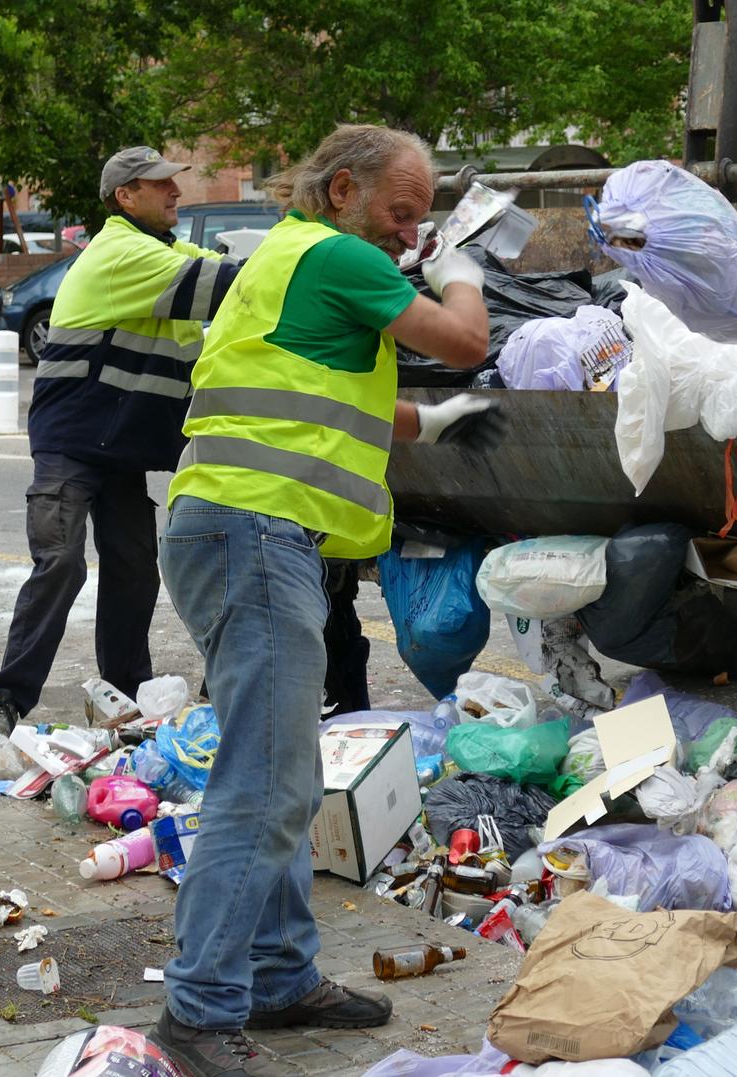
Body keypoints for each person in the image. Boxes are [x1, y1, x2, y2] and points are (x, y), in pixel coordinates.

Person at [147, 125, 504, 1076]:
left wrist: (432, 422)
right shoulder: (341, 256)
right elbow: (466, 339)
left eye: (423, 224)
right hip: (257, 533)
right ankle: (198, 1009)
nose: (409, 236)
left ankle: (277, 974)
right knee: (266, 784)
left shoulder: (287, 258)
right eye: (402, 212)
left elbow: (323, 400)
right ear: (343, 189)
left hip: (236, 530)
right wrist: (462, 270)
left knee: (283, 770)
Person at [0, 147, 242, 739]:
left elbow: (230, 270)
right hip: (72, 440)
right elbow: (231, 284)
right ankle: (4, 700)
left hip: (120, 448)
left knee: (135, 567)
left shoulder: (162, 250)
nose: (175, 192)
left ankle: (126, 697)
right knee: (60, 563)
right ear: (126, 196)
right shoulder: (121, 253)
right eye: (161, 184)